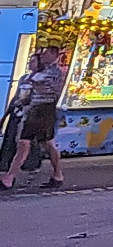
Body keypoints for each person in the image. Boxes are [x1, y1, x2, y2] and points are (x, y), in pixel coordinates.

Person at [1, 49, 66, 190]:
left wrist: (35, 86)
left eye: (34, 60)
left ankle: (57, 175)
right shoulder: (27, 78)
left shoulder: (55, 73)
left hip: (43, 112)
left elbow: (54, 92)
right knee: (25, 143)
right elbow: (19, 97)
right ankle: (10, 177)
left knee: (44, 144)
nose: (31, 63)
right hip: (30, 113)